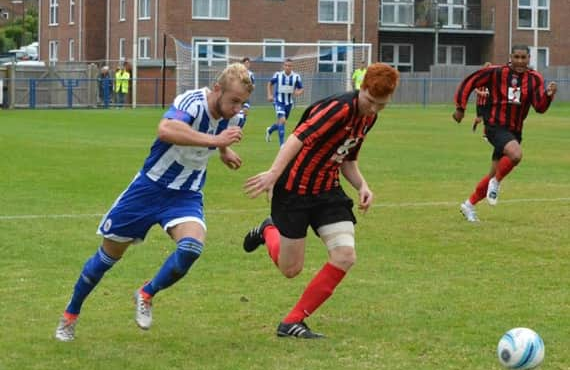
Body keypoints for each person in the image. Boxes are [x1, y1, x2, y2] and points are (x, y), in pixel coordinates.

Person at [54, 63, 253, 342]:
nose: (237, 108)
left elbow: (222, 131)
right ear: (217, 89)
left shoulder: (236, 117)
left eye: (242, 103)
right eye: (233, 101)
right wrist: (216, 140)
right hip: (147, 190)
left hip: (186, 194)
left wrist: (223, 150)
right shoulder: (191, 102)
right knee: (106, 258)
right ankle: (70, 316)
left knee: (192, 247)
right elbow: (165, 128)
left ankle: (146, 292)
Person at [242, 63, 399, 339]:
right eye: (371, 102)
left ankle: (292, 322)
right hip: (294, 191)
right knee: (291, 269)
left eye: (381, 105)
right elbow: (297, 137)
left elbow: (347, 158)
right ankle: (268, 230)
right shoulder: (339, 108)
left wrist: (363, 185)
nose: (374, 109)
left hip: (328, 192)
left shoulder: (368, 118)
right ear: (361, 88)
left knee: (345, 255)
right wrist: (273, 174)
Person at [453, 45, 557, 222]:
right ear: (510, 57)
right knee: (516, 155)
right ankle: (497, 183)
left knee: (493, 173)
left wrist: (548, 95)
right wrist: (460, 107)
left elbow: (539, 107)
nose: (520, 61)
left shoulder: (535, 79)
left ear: (529, 58)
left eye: (523, 57)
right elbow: (469, 82)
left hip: (515, 132)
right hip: (495, 126)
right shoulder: (495, 72)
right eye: (516, 57)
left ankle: (468, 205)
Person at [265, 58, 304, 147]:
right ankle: (282, 144)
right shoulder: (278, 75)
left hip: (289, 103)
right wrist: (269, 95)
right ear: (283, 66)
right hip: (278, 101)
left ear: (292, 67)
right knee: (282, 120)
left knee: (281, 122)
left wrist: (298, 92)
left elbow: (301, 88)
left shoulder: (296, 77)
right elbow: (270, 83)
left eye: (289, 66)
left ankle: (270, 130)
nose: (287, 67)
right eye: (286, 65)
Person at [471, 61, 492, 133]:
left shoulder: (492, 78)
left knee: (488, 119)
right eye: (487, 68)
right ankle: (475, 124)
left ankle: (485, 134)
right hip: (480, 102)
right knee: (479, 119)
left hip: (488, 102)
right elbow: (475, 88)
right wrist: (481, 93)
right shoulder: (479, 77)